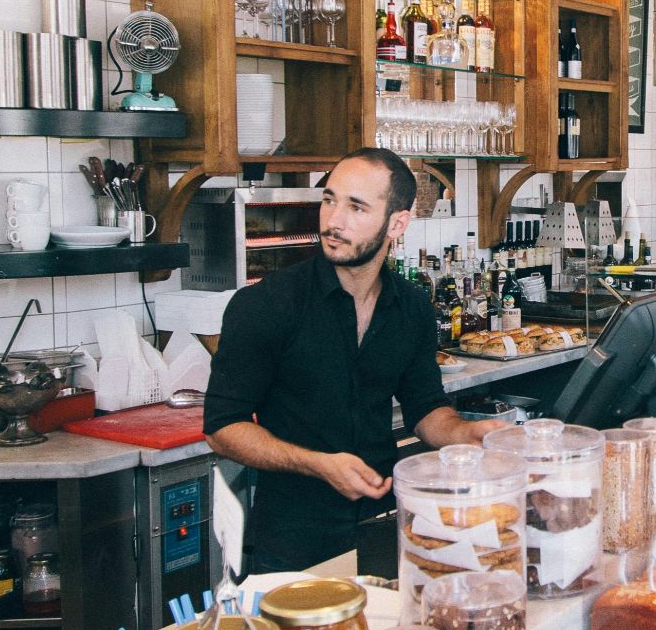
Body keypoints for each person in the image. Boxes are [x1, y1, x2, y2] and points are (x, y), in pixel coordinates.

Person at [204, 148, 497, 572]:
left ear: (397, 223)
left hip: (386, 530)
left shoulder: (411, 306)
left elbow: (425, 407)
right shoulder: (265, 305)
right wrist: (319, 464)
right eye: (329, 200)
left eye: (356, 207)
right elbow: (221, 428)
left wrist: (466, 435)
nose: (333, 220)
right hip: (291, 546)